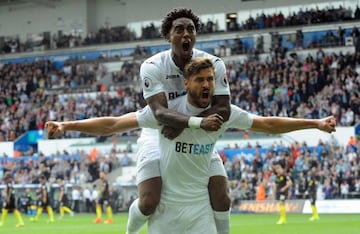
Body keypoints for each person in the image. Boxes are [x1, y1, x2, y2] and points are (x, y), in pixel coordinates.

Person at [46, 57, 337, 233]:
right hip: (156, 145)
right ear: (187, 83)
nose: (207, 84)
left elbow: (269, 124)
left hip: (201, 158)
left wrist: (315, 123)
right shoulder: (164, 114)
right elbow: (112, 125)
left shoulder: (223, 113)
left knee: (223, 198)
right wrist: (66, 126)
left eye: (211, 79)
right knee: (149, 202)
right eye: (200, 79)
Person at [131, 7, 232, 234]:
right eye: (179, 30)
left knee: (222, 196)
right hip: (159, 132)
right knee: (148, 201)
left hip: (194, 130)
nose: (186, 34)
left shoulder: (213, 63)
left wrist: (186, 124)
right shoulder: (152, 66)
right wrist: (190, 123)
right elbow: (158, 112)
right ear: (168, 36)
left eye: (191, 29)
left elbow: (223, 107)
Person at [273, 160, 293, 225]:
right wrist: (274, 193)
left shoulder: (284, 175)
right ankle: (282, 218)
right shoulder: (277, 176)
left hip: (283, 192)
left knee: (281, 204)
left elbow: (290, 183)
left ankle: (283, 219)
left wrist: (284, 188)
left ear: (281, 167)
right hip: (278, 192)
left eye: (278, 168)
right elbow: (275, 185)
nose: (276, 170)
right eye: (275, 168)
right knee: (280, 204)